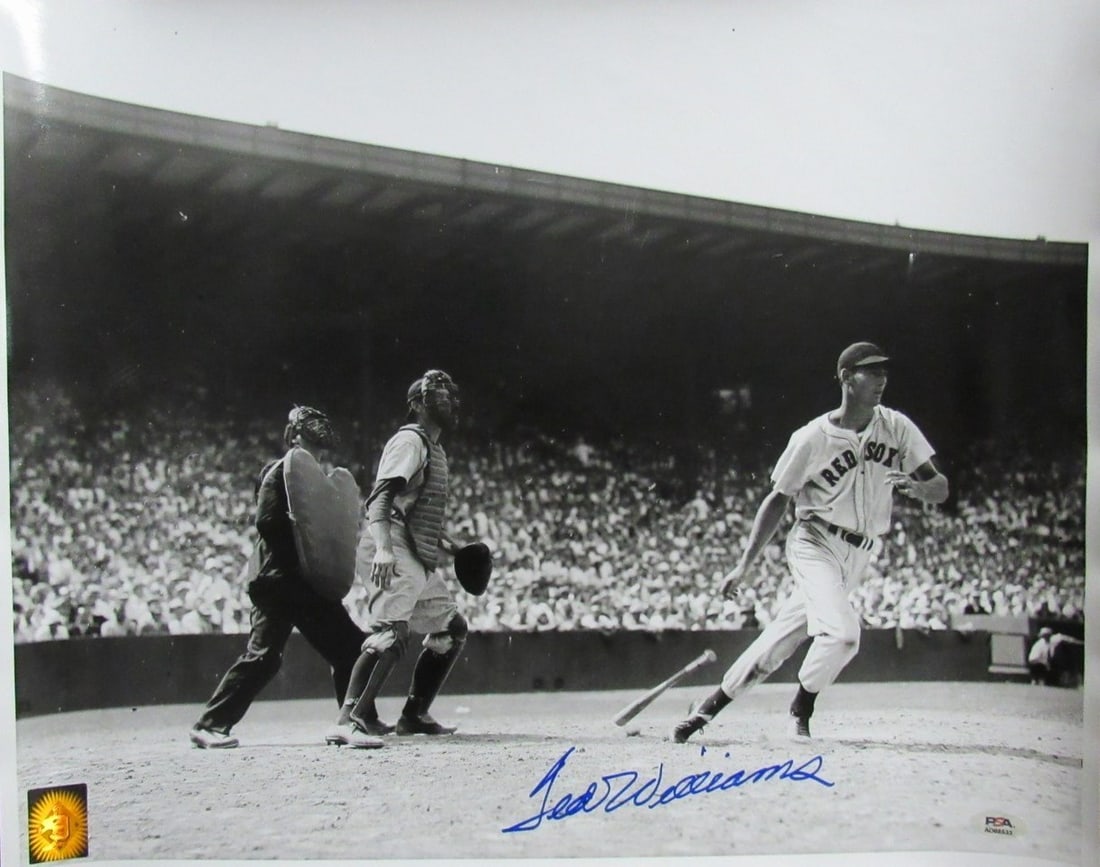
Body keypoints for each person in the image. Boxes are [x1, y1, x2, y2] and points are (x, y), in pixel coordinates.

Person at [672, 342, 949, 743]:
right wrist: (744, 565)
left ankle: (705, 710)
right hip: (815, 541)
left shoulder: (897, 427)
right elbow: (778, 499)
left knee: (779, 639)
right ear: (846, 377)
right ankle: (802, 707)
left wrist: (921, 490)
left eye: (883, 372)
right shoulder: (812, 438)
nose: (881, 379)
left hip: (860, 553)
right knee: (843, 635)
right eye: (870, 372)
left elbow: (939, 486)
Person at [189, 406, 369, 749]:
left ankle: (358, 719)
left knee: (349, 647)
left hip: (305, 584)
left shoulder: (319, 479)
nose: (318, 429)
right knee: (264, 656)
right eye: (309, 424)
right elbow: (267, 522)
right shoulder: (279, 471)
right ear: (295, 434)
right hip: (278, 581)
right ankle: (209, 724)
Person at [326, 369, 472, 747]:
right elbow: (380, 498)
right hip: (388, 543)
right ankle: (349, 721)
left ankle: (414, 715)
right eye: (438, 394)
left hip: (411, 550)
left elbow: (415, 510)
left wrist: (450, 545)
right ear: (417, 405)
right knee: (391, 632)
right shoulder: (410, 440)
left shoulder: (433, 448)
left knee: (451, 628)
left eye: (449, 394)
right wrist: (385, 549)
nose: (448, 401)